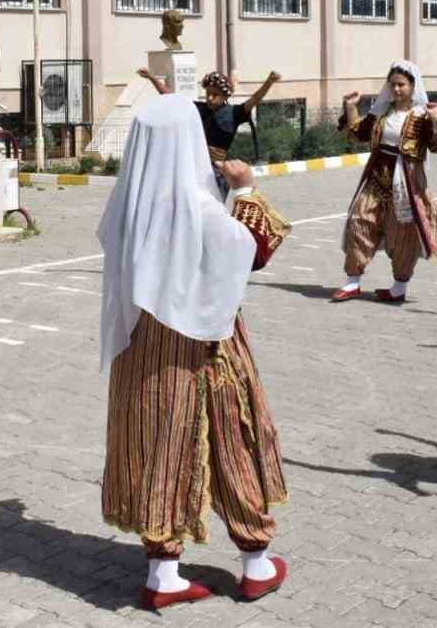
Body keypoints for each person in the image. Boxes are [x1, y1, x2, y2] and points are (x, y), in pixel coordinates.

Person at [99, 95, 292, 610]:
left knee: (155, 446)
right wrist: (247, 189)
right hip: (207, 347)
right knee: (234, 437)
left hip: (143, 350)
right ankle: (256, 562)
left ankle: (163, 575)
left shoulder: (126, 203)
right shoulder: (198, 204)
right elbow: (255, 250)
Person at [332, 61, 437, 304]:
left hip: (406, 182)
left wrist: (436, 120)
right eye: (393, 84)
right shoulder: (381, 112)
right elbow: (359, 133)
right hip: (376, 178)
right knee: (359, 221)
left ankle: (399, 287)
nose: (396, 89)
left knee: (403, 234)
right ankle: (352, 282)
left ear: (412, 86)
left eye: (401, 85)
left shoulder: (422, 115)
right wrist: (351, 107)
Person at [136, 67, 282, 192]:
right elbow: (171, 97)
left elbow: (255, 99)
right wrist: (152, 78)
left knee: (214, 208)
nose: (210, 98)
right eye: (208, 94)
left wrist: (269, 82)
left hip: (217, 171)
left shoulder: (234, 113)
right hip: (193, 166)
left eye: (215, 95)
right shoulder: (199, 109)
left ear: (225, 95)